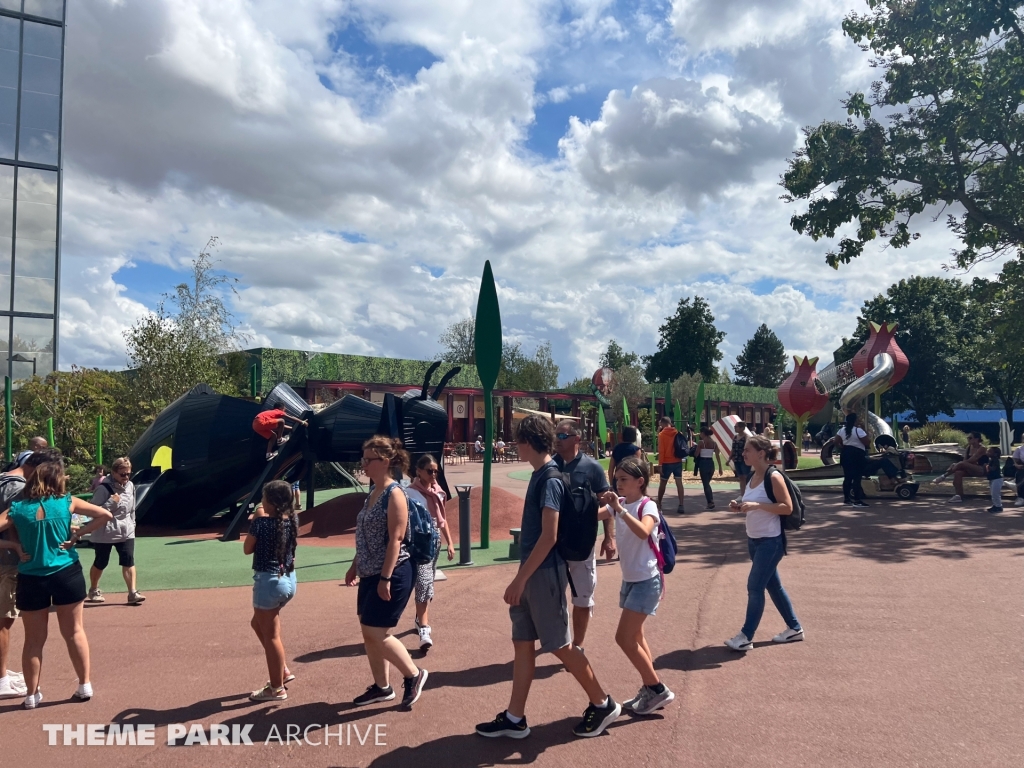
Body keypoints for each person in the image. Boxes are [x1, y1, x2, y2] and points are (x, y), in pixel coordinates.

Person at [476, 415, 620, 739]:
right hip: (532, 573)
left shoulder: (550, 479)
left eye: (517, 441)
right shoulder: (541, 475)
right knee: (523, 644)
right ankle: (515, 718)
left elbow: (549, 536)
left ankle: (603, 703)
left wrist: (520, 579)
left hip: (541, 574)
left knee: (562, 646)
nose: (514, 445)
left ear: (528, 442)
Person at [0, 453, 114, 708]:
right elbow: (105, 515)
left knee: (33, 640)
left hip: (31, 576)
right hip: (66, 573)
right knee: (74, 631)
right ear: (56, 480)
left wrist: (14, 546)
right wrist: (78, 534)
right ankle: (84, 685)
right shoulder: (66, 502)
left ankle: (31, 695)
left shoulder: (18, 508)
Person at [345, 437, 428, 710]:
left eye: (368, 459)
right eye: (363, 458)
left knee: (376, 631)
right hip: (370, 573)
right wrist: (355, 564)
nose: (363, 463)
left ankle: (414, 675)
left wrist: (385, 578)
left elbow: (396, 539)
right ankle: (382, 687)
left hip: (393, 572)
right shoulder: (373, 493)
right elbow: (367, 535)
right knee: (368, 632)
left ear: (385, 462)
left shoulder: (395, 494)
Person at [596, 457, 674, 714]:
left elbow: (643, 531)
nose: (618, 484)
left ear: (640, 482)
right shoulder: (621, 504)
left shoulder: (647, 505)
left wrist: (619, 509)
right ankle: (650, 688)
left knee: (624, 638)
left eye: (624, 479)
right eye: (617, 479)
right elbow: (595, 516)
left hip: (647, 581)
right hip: (630, 580)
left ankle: (658, 688)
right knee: (637, 637)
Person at [724, 435, 804, 652]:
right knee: (773, 586)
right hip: (754, 539)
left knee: (754, 586)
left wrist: (756, 505)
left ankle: (746, 636)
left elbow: (786, 507)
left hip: (771, 541)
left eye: (748, 450)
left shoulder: (774, 476)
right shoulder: (752, 476)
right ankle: (794, 628)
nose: (743, 453)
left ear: (761, 453)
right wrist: (739, 504)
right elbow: (752, 501)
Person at [553, 420, 613, 653]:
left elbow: (607, 503)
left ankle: (577, 645)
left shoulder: (592, 468)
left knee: (582, 597)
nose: (557, 439)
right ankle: (560, 639)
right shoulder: (550, 466)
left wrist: (609, 538)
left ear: (577, 439)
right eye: (556, 435)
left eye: (563, 435)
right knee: (553, 596)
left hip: (582, 544)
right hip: (554, 543)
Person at [243, 480, 299, 701]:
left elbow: (247, 549)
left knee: (272, 635)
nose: (262, 502)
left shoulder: (261, 523)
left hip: (269, 583)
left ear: (272, 503)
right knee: (257, 624)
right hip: (289, 580)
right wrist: (261, 514)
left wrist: (257, 517)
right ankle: (282, 669)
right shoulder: (292, 519)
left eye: (264, 498)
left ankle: (276, 687)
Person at [407, 454, 454, 652]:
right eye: (430, 471)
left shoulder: (438, 492)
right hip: (419, 543)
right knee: (423, 581)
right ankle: (424, 628)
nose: (434, 474)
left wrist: (450, 543)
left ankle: (420, 618)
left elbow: (442, 520)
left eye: (436, 471)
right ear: (418, 471)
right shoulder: (410, 493)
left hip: (435, 542)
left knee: (429, 582)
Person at [86, 457, 144, 605]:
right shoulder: (103, 489)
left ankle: (132, 592)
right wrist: (112, 502)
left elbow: (132, 509)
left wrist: (133, 524)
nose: (126, 477)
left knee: (128, 560)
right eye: (122, 474)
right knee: (101, 562)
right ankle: (93, 589)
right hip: (105, 532)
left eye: (128, 474)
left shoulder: (130, 486)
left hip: (126, 531)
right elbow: (94, 511)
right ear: (113, 472)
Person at [0, 460, 29, 699]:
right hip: (6, 562)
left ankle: (2, 673)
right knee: (4, 620)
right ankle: (1, 680)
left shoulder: (3, 481)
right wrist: (16, 547)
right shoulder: (17, 487)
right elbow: (11, 523)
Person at [932, 432, 988, 503]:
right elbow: (965, 461)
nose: (968, 439)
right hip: (970, 469)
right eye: (968, 438)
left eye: (970, 438)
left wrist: (957, 464)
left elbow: (972, 459)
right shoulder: (968, 448)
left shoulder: (982, 448)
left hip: (980, 469)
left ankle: (944, 476)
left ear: (977, 439)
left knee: (960, 464)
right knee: (958, 473)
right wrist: (957, 465)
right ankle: (959, 496)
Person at [834, 412, 870, 507]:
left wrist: (843, 446)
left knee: (847, 477)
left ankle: (847, 499)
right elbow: (867, 442)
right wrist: (864, 430)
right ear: (855, 420)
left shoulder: (842, 430)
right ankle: (857, 500)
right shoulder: (858, 430)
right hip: (857, 454)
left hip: (846, 453)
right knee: (857, 478)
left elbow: (836, 441)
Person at [655, 417, 685, 514]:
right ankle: (681, 504)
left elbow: (661, 450)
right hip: (677, 460)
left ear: (663, 423)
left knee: (663, 483)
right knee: (679, 483)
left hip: (666, 462)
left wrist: (660, 464)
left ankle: (659, 503)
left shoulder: (662, 435)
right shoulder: (677, 432)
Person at [695, 427, 724, 510]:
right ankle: (710, 501)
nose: (700, 434)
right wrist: (720, 467)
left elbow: (696, 454)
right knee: (707, 483)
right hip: (711, 463)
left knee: (706, 484)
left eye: (700, 433)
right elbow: (718, 456)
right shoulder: (714, 443)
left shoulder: (701, 442)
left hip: (703, 463)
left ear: (703, 433)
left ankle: (710, 502)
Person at [731, 422, 753, 494]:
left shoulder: (747, 437)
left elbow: (749, 448)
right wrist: (730, 458)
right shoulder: (735, 437)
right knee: (741, 477)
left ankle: (749, 493)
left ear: (742, 428)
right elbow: (733, 448)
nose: (735, 428)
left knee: (746, 476)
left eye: (736, 427)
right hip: (737, 459)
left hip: (744, 459)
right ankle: (742, 494)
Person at [984, 447, 1004, 514]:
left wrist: (988, 467)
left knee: (995, 493)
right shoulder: (991, 460)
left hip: (997, 479)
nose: (987, 453)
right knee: (993, 493)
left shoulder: (995, 460)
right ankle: (995, 505)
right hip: (992, 479)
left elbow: (993, 469)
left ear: (995, 454)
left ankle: (998, 506)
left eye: (990, 452)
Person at [1013, 441, 1024, 508]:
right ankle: (1021, 497)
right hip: (1023, 467)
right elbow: (1015, 461)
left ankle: (1016, 485)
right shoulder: (1019, 449)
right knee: (1020, 473)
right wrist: (1017, 465)